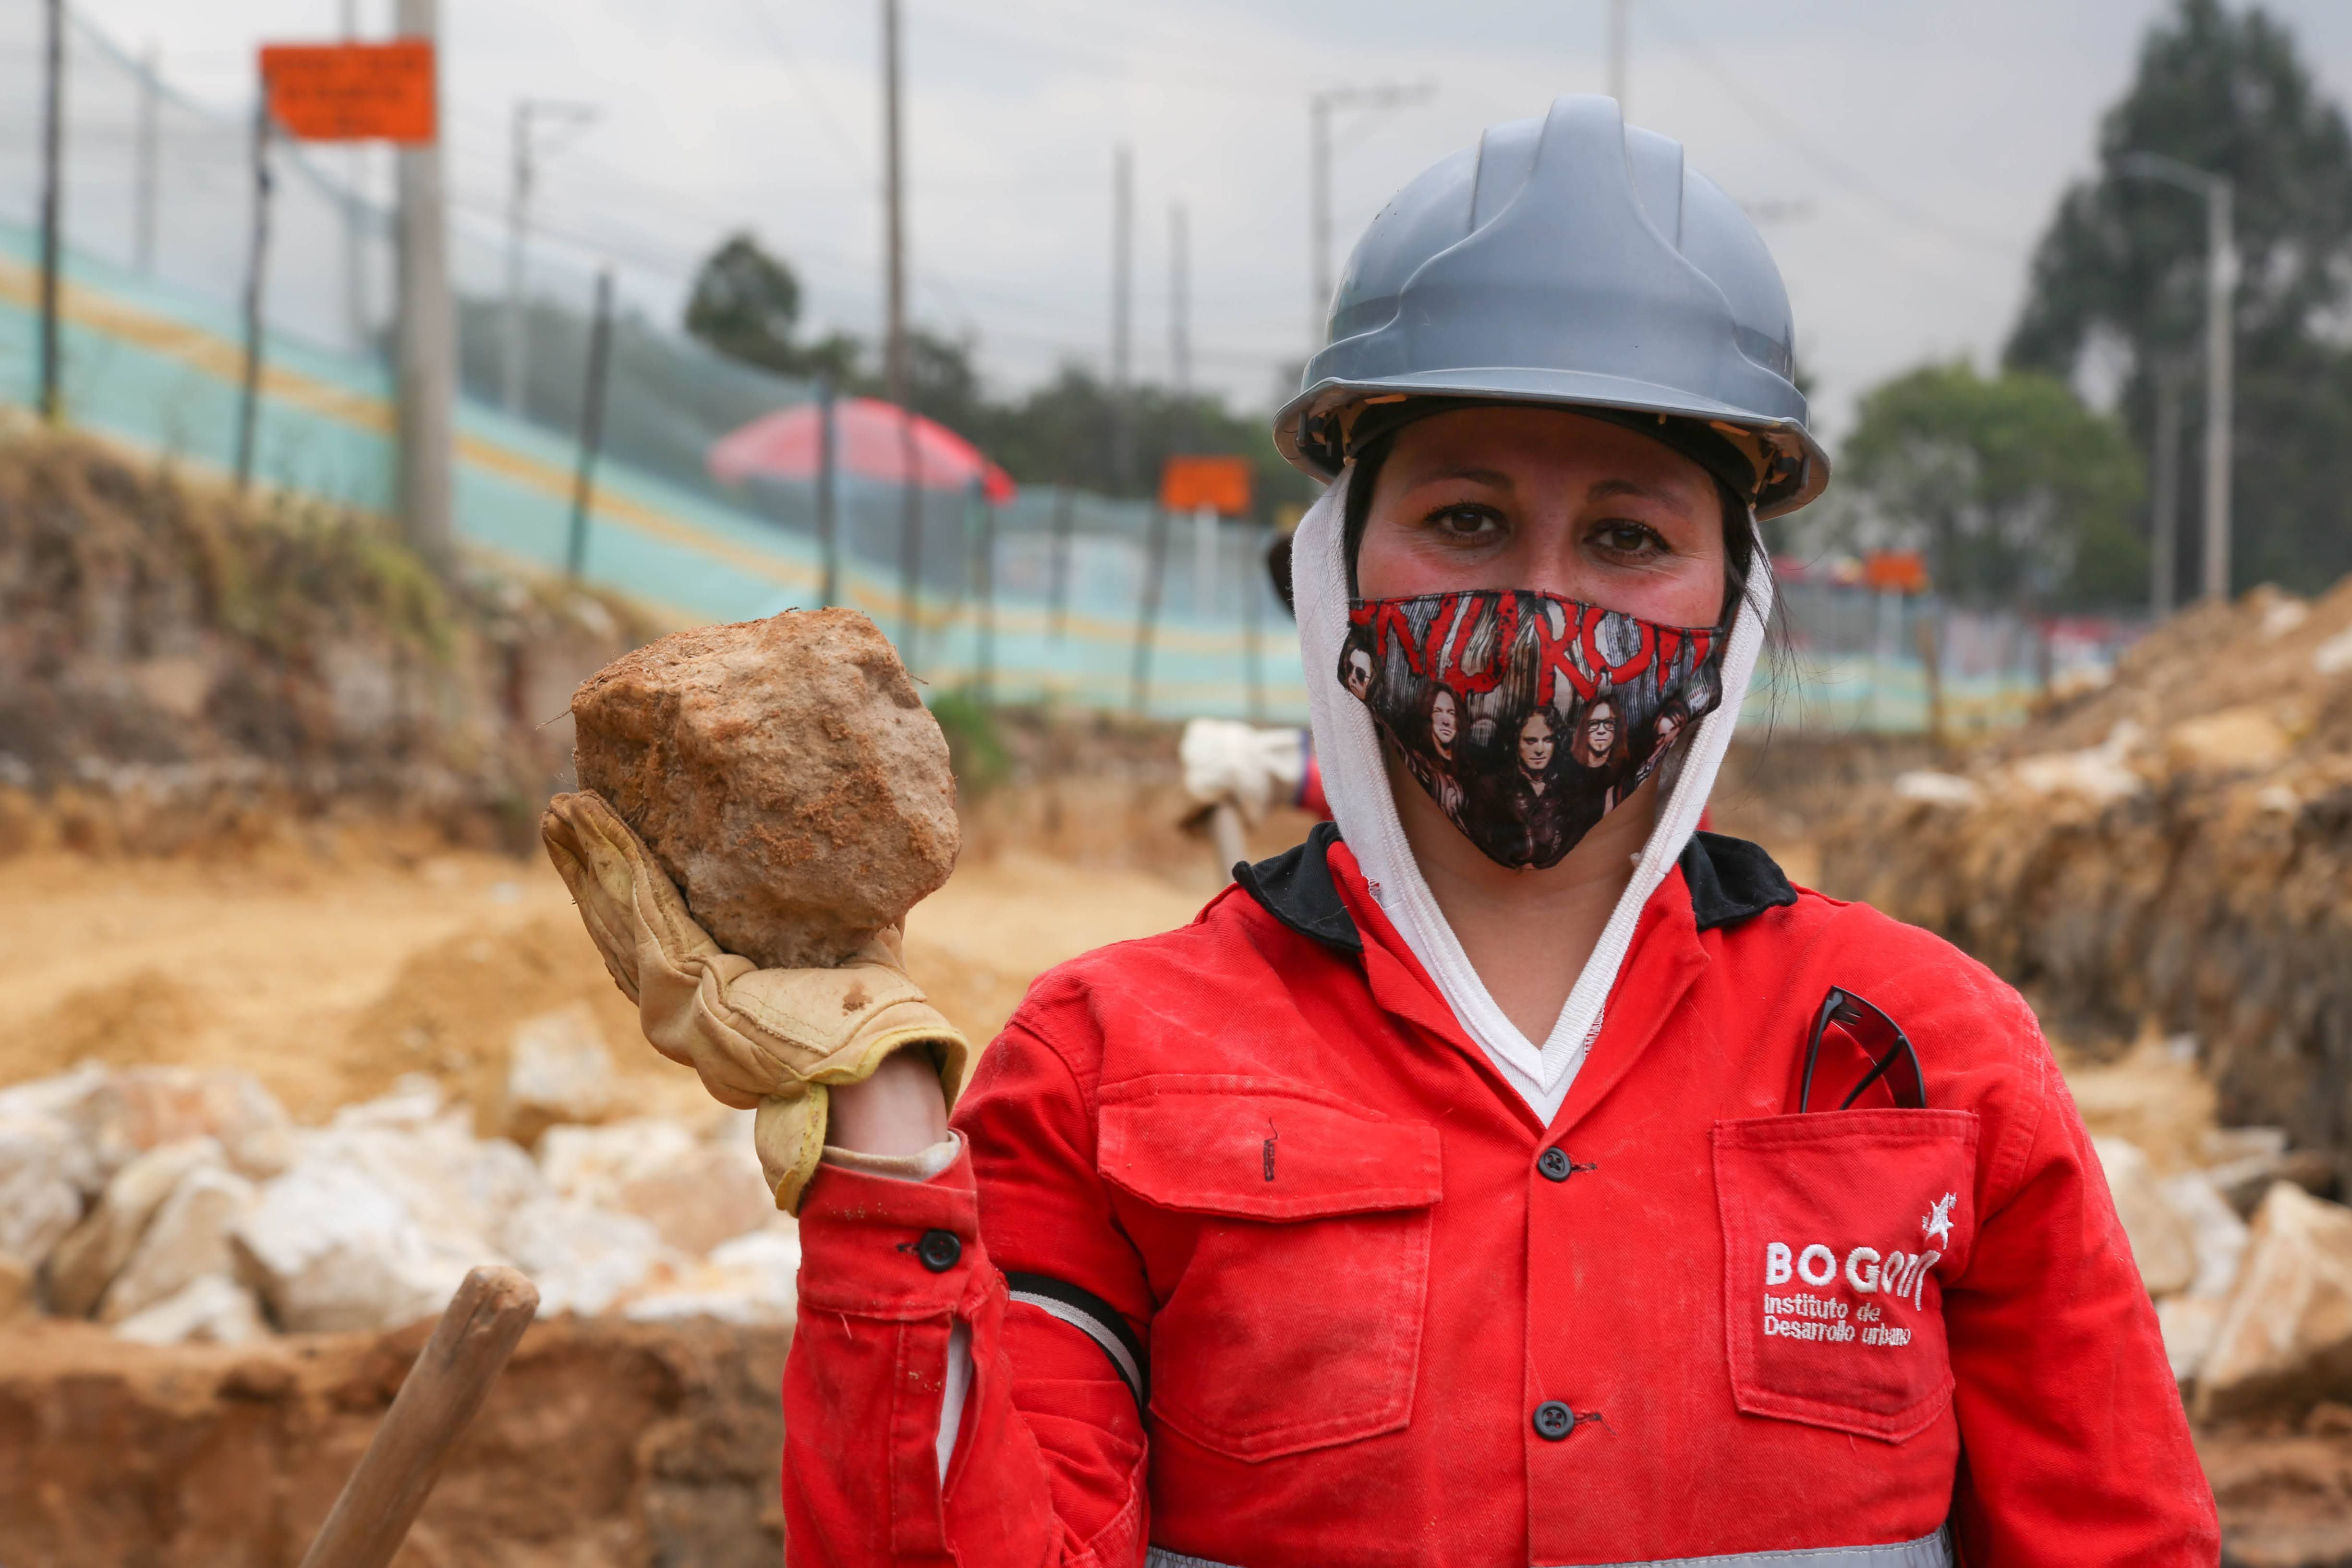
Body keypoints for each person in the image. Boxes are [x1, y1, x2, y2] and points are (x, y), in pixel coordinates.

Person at [546, 96, 2216, 1568]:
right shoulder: (1107, 1065)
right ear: (1340, 566)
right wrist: (889, 1136)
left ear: (1732, 605)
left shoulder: (1925, 1058)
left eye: (1628, 534)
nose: (1542, 596)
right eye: (1467, 515)